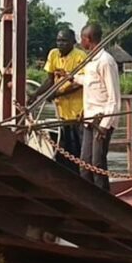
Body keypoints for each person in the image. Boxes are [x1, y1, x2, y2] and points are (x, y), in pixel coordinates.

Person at [29, 30, 87, 174]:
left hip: (78, 112)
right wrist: (36, 94)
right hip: (61, 113)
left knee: (77, 148)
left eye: (64, 41)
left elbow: (79, 83)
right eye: (58, 41)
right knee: (63, 148)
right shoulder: (53, 54)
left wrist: (57, 93)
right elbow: (50, 80)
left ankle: (80, 179)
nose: (60, 44)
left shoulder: (80, 57)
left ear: (73, 42)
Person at [71, 24, 120, 191]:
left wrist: (105, 127)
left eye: (81, 38)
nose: (80, 41)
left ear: (88, 39)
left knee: (97, 164)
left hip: (102, 120)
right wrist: (73, 78)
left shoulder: (106, 61)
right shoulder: (90, 61)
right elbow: (91, 83)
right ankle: (88, 197)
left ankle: (104, 198)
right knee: (85, 164)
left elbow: (114, 98)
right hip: (89, 119)